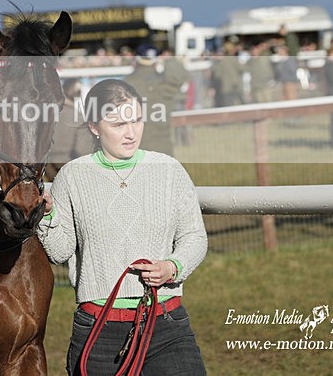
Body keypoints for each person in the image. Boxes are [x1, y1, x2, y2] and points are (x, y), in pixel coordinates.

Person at [37, 79, 207, 375]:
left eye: (137, 120)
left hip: (167, 325)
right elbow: (60, 251)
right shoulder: (72, 177)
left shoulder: (169, 170)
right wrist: (47, 216)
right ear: (94, 126)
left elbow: (194, 236)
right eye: (118, 124)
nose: (131, 133)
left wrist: (173, 266)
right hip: (98, 330)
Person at [44, 78, 94, 181]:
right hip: (67, 168)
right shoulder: (78, 117)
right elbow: (82, 150)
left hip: (46, 168)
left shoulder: (48, 115)